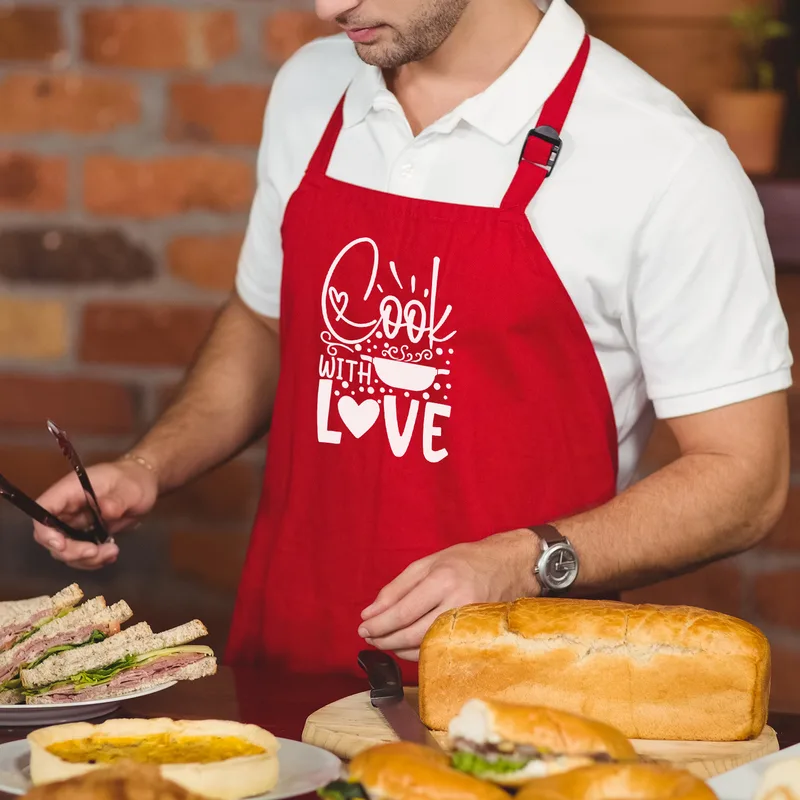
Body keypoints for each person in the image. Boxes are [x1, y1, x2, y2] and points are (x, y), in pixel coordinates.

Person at [32, 0, 791, 679]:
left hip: (521, 693)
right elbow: (268, 322)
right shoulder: (312, 87)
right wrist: (149, 466)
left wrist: (525, 561)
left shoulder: (664, 161)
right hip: (288, 660)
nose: (328, 8)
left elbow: (745, 478)